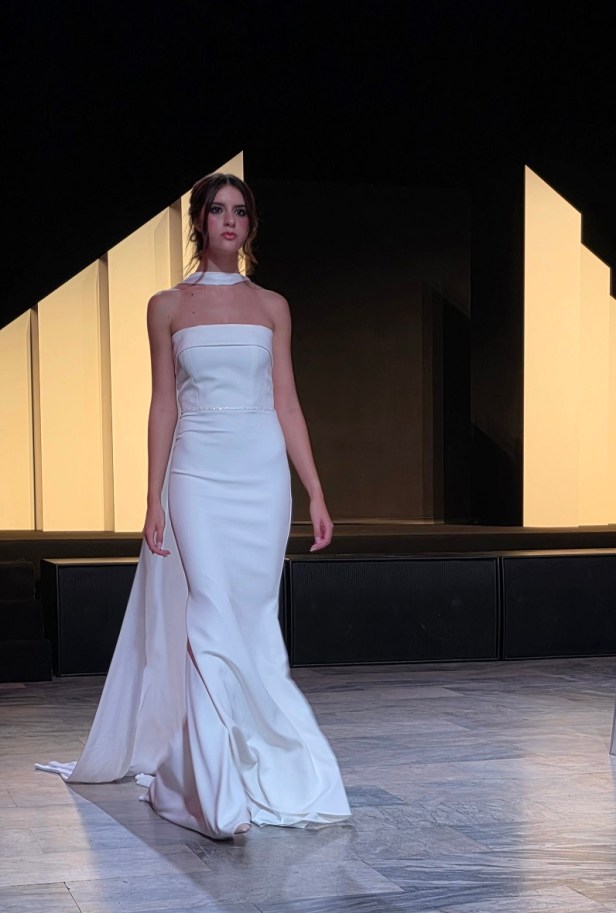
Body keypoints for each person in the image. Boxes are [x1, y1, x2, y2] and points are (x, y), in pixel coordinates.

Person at [36, 172, 351, 839]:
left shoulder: (273, 306)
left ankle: (248, 765)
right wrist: (151, 497)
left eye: (240, 211)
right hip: (196, 474)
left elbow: (287, 402)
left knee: (252, 622)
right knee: (206, 612)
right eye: (217, 210)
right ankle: (211, 791)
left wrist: (316, 490)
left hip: (261, 474)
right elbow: (163, 405)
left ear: (250, 225)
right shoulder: (166, 306)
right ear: (200, 222)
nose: (230, 221)